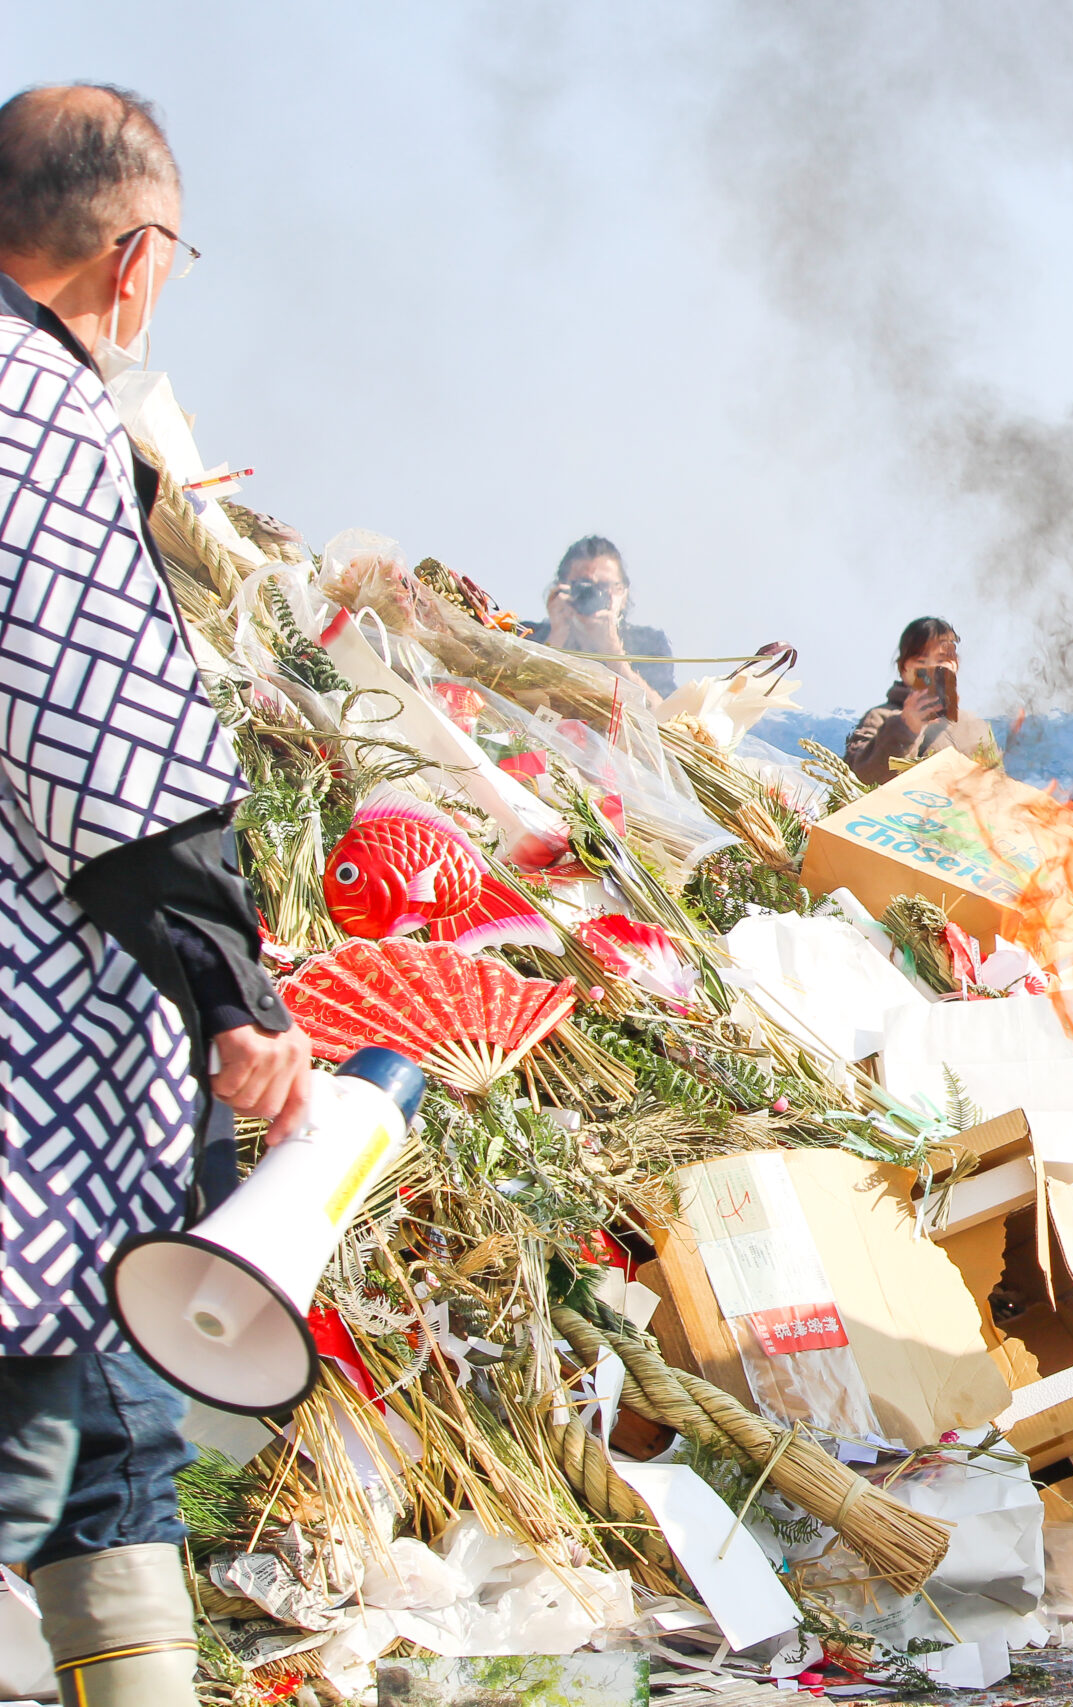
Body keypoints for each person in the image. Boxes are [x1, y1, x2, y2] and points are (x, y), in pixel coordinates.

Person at [0, 82, 319, 1705]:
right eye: (178, 260)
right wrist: (231, 992)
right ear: (132, 261)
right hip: (27, 1077)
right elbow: (100, 753)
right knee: (53, 1452)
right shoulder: (35, 416)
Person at [844, 616, 997, 787]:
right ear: (903, 668)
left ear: (955, 664)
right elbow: (859, 780)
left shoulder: (974, 727)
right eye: (921, 662)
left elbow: (997, 789)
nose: (931, 671)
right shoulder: (880, 718)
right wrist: (905, 729)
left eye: (941, 662)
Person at [522, 535, 676, 700]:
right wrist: (554, 640)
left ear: (623, 594)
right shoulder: (525, 635)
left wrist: (613, 653)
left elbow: (666, 714)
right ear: (561, 588)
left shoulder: (650, 645)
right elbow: (509, 694)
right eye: (583, 585)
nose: (592, 595)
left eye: (604, 587)